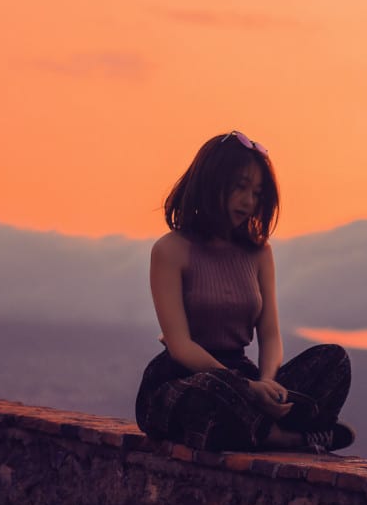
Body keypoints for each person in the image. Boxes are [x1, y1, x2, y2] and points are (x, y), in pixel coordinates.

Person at [135, 131, 354, 453]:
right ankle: (286, 438)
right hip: (187, 381)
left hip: (246, 377)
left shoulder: (259, 253)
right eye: (240, 187)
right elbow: (179, 345)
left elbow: (269, 336)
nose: (249, 202)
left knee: (334, 360)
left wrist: (266, 382)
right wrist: (246, 389)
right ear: (211, 183)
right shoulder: (170, 251)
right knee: (214, 390)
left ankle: (260, 427)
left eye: (256, 192)